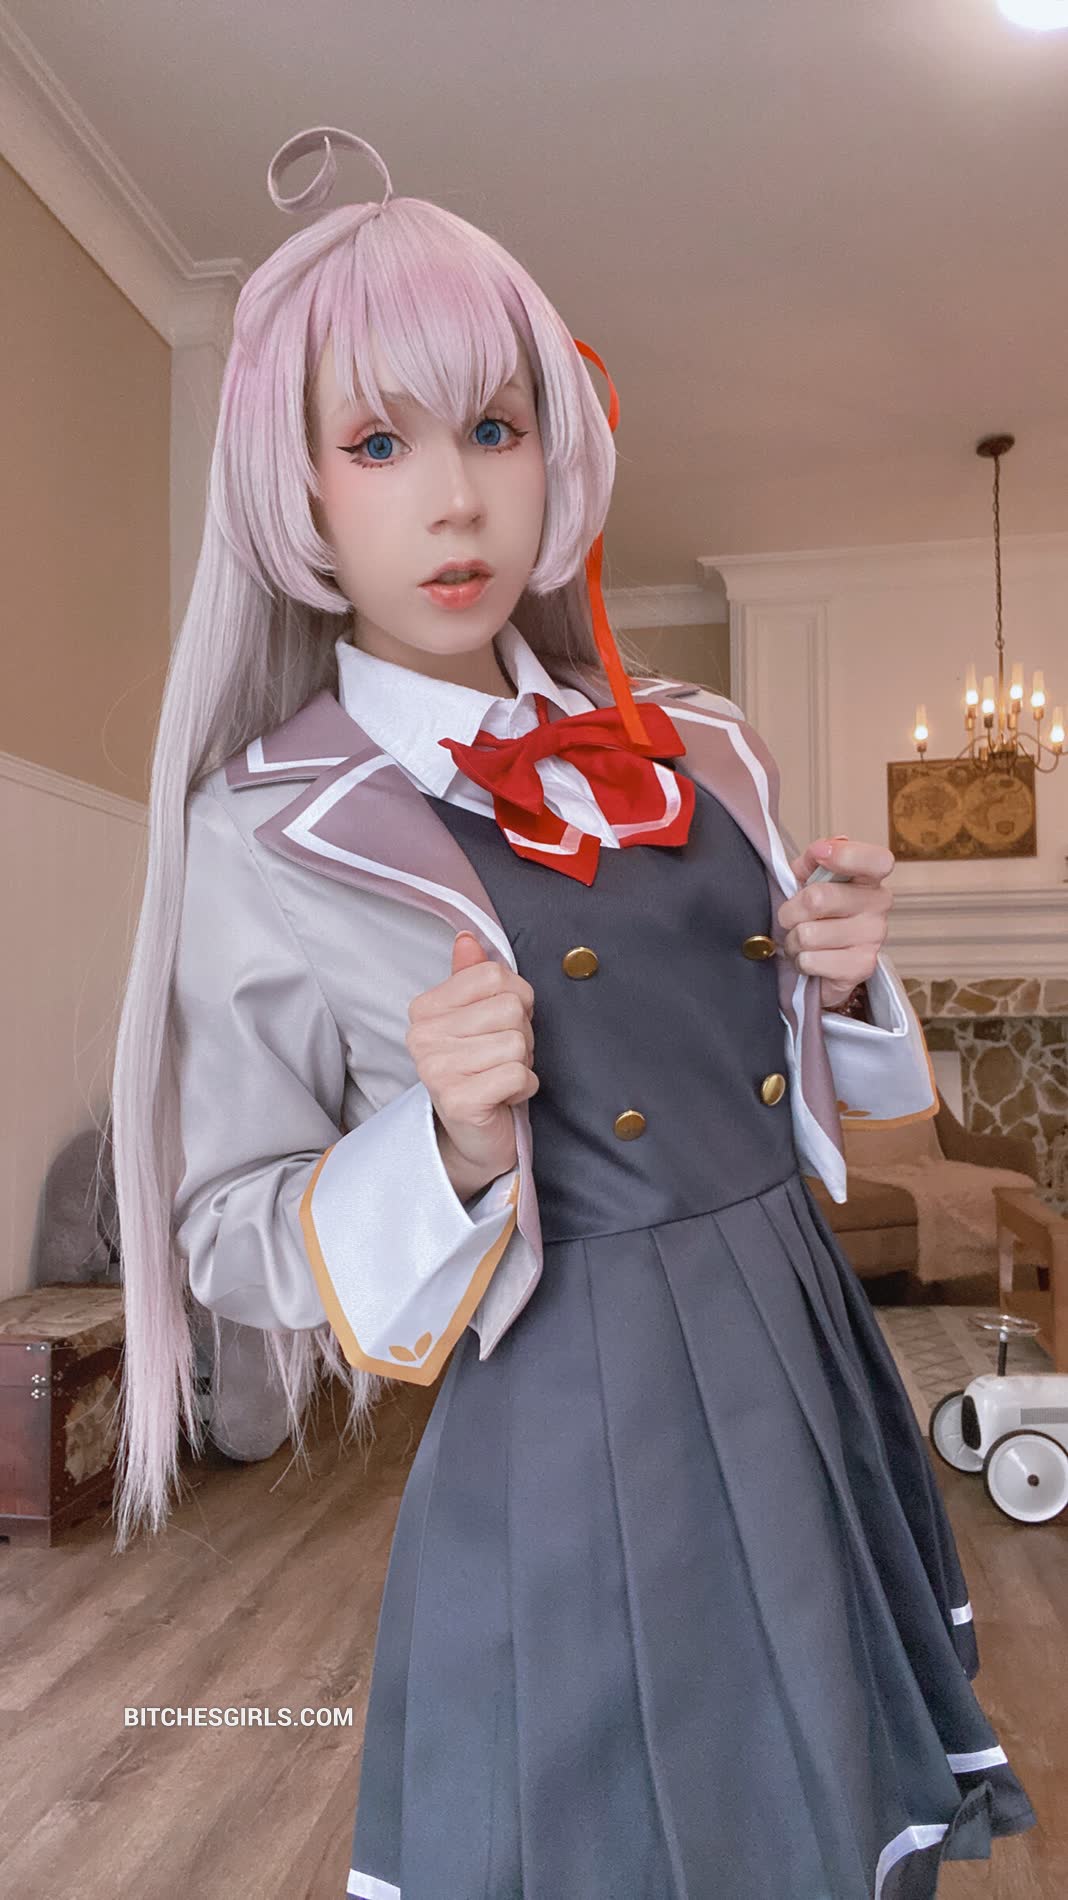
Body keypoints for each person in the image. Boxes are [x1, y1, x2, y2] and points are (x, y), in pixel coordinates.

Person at [107, 125, 1037, 1899]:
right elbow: (226, 1230)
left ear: (557, 448)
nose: (453, 499)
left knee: (837, 1805)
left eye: (492, 428)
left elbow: (800, 1092)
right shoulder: (265, 828)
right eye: (378, 443)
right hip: (578, 1412)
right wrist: (448, 1144)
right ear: (300, 490)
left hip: (802, 1340)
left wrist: (843, 974)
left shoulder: (706, 747)